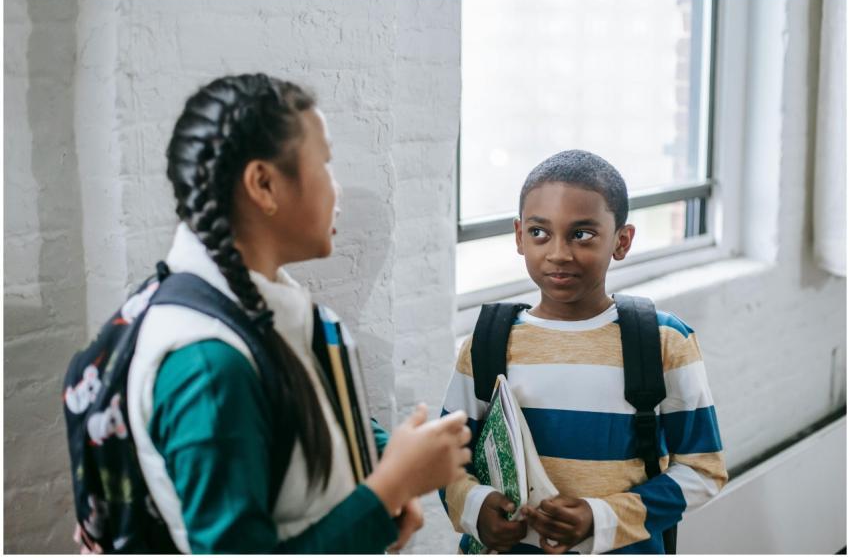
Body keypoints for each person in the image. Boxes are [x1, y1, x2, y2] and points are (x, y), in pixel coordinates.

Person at [121, 74, 471, 553]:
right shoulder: (207, 368)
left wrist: (394, 457)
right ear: (263, 184)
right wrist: (389, 486)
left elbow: (303, 422)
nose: (337, 190)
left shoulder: (260, 303)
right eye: (325, 164)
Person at [439, 150, 727, 554]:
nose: (559, 253)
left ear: (621, 241)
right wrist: (476, 507)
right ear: (519, 236)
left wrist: (599, 517)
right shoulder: (487, 343)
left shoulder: (663, 342)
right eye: (540, 232)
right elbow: (447, 461)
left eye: (582, 234)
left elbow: (703, 471)